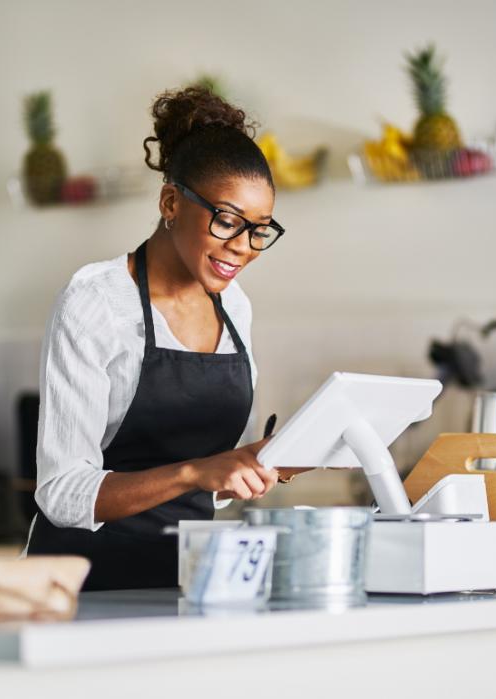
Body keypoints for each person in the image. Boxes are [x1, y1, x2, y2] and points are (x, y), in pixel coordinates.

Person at [26, 87, 294, 590]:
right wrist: (196, 473)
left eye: (260, 230)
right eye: (228, 221)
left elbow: (209, 483)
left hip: (183, 584)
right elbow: (61, 493)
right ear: (171, 201)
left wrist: (252, 464)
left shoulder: (235, 308)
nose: (243, 248)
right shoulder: (97, 301)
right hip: (81, 587)